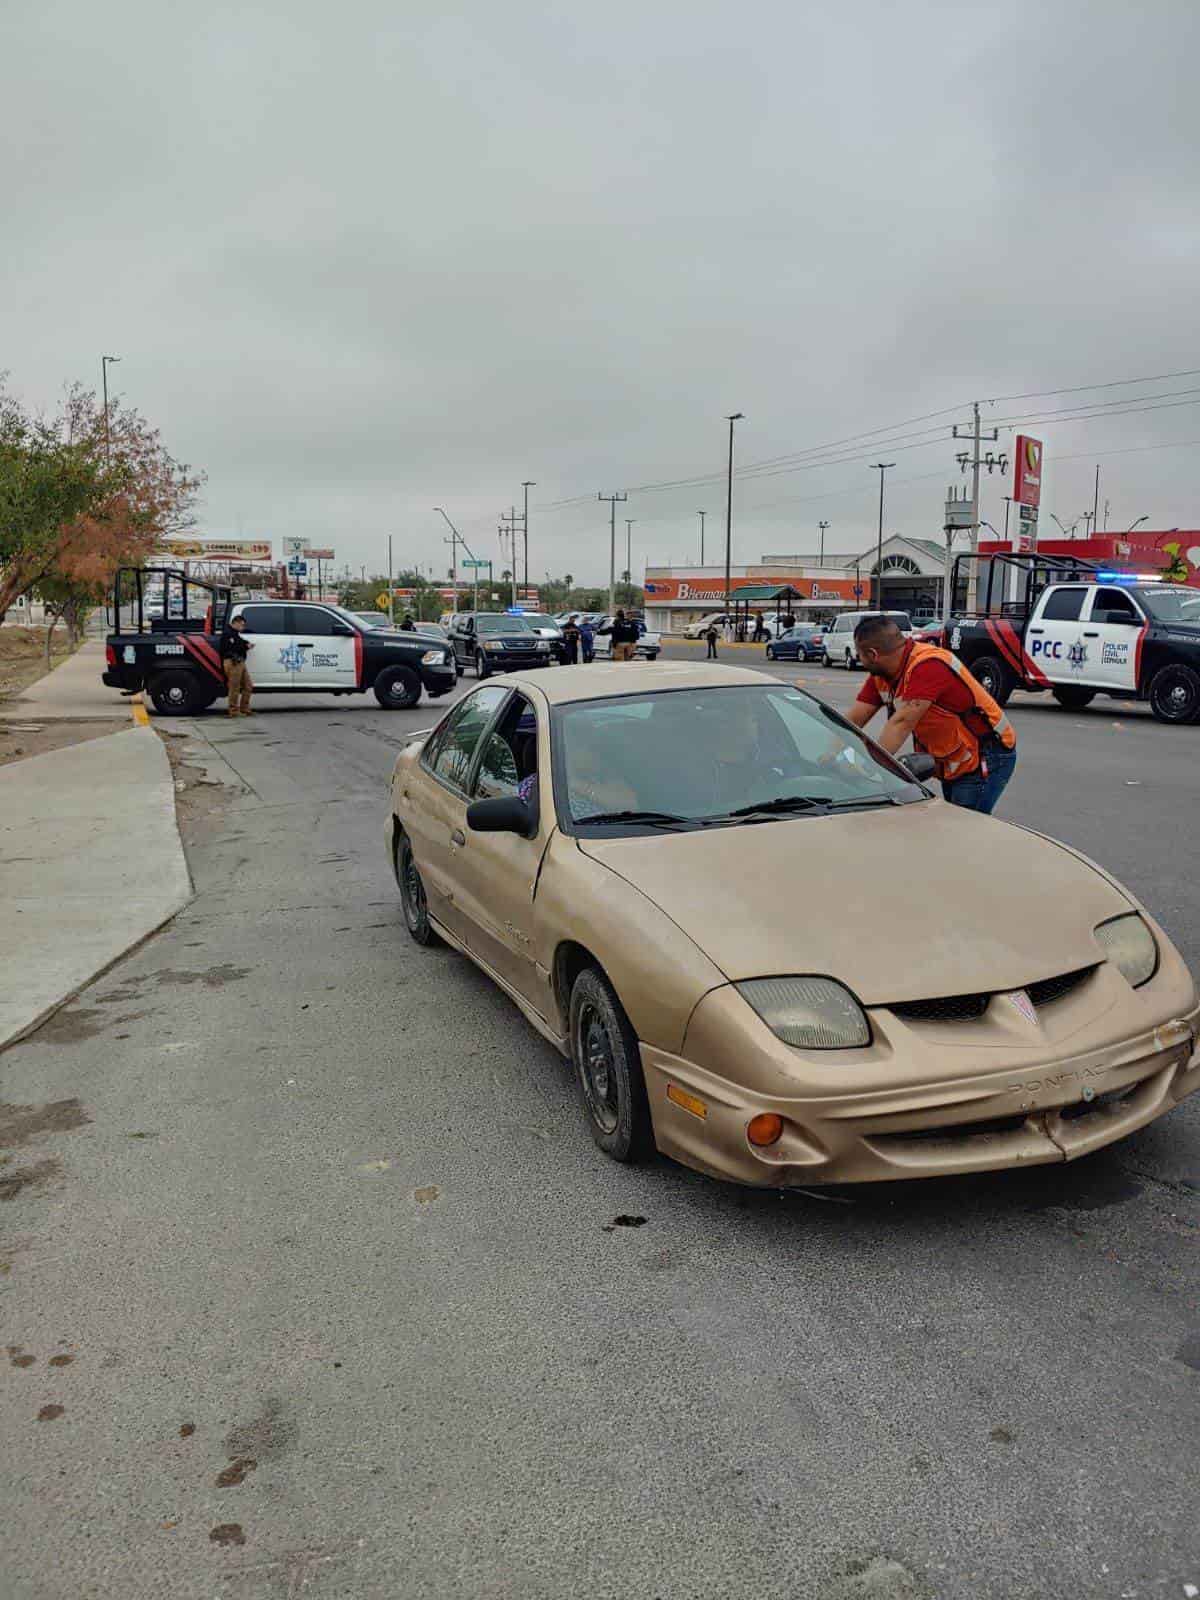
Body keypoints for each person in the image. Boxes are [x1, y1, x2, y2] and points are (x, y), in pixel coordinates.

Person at [845, 614, 1017, 813]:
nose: (859, 660)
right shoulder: (882, 675)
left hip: (986, 755)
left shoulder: (928, 665)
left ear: (873, 654)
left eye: (860, 655)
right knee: (954, 821)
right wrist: (825, 758)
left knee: (965, 828)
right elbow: (853, 720)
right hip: (955, 758)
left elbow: (900, 723)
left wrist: (871, 770)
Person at [219, 614, 253, 717]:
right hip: (232, 662)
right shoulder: (227, 634)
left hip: (239, 662)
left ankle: (244, 708)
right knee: (234, 687)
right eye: (241, 625)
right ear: (235, 623)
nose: (243, 627)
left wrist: (245, 643)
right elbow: (234, 647)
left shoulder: (235, 634)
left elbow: (239, 642)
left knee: (248, 685)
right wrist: (245, 646)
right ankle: (233, 710)